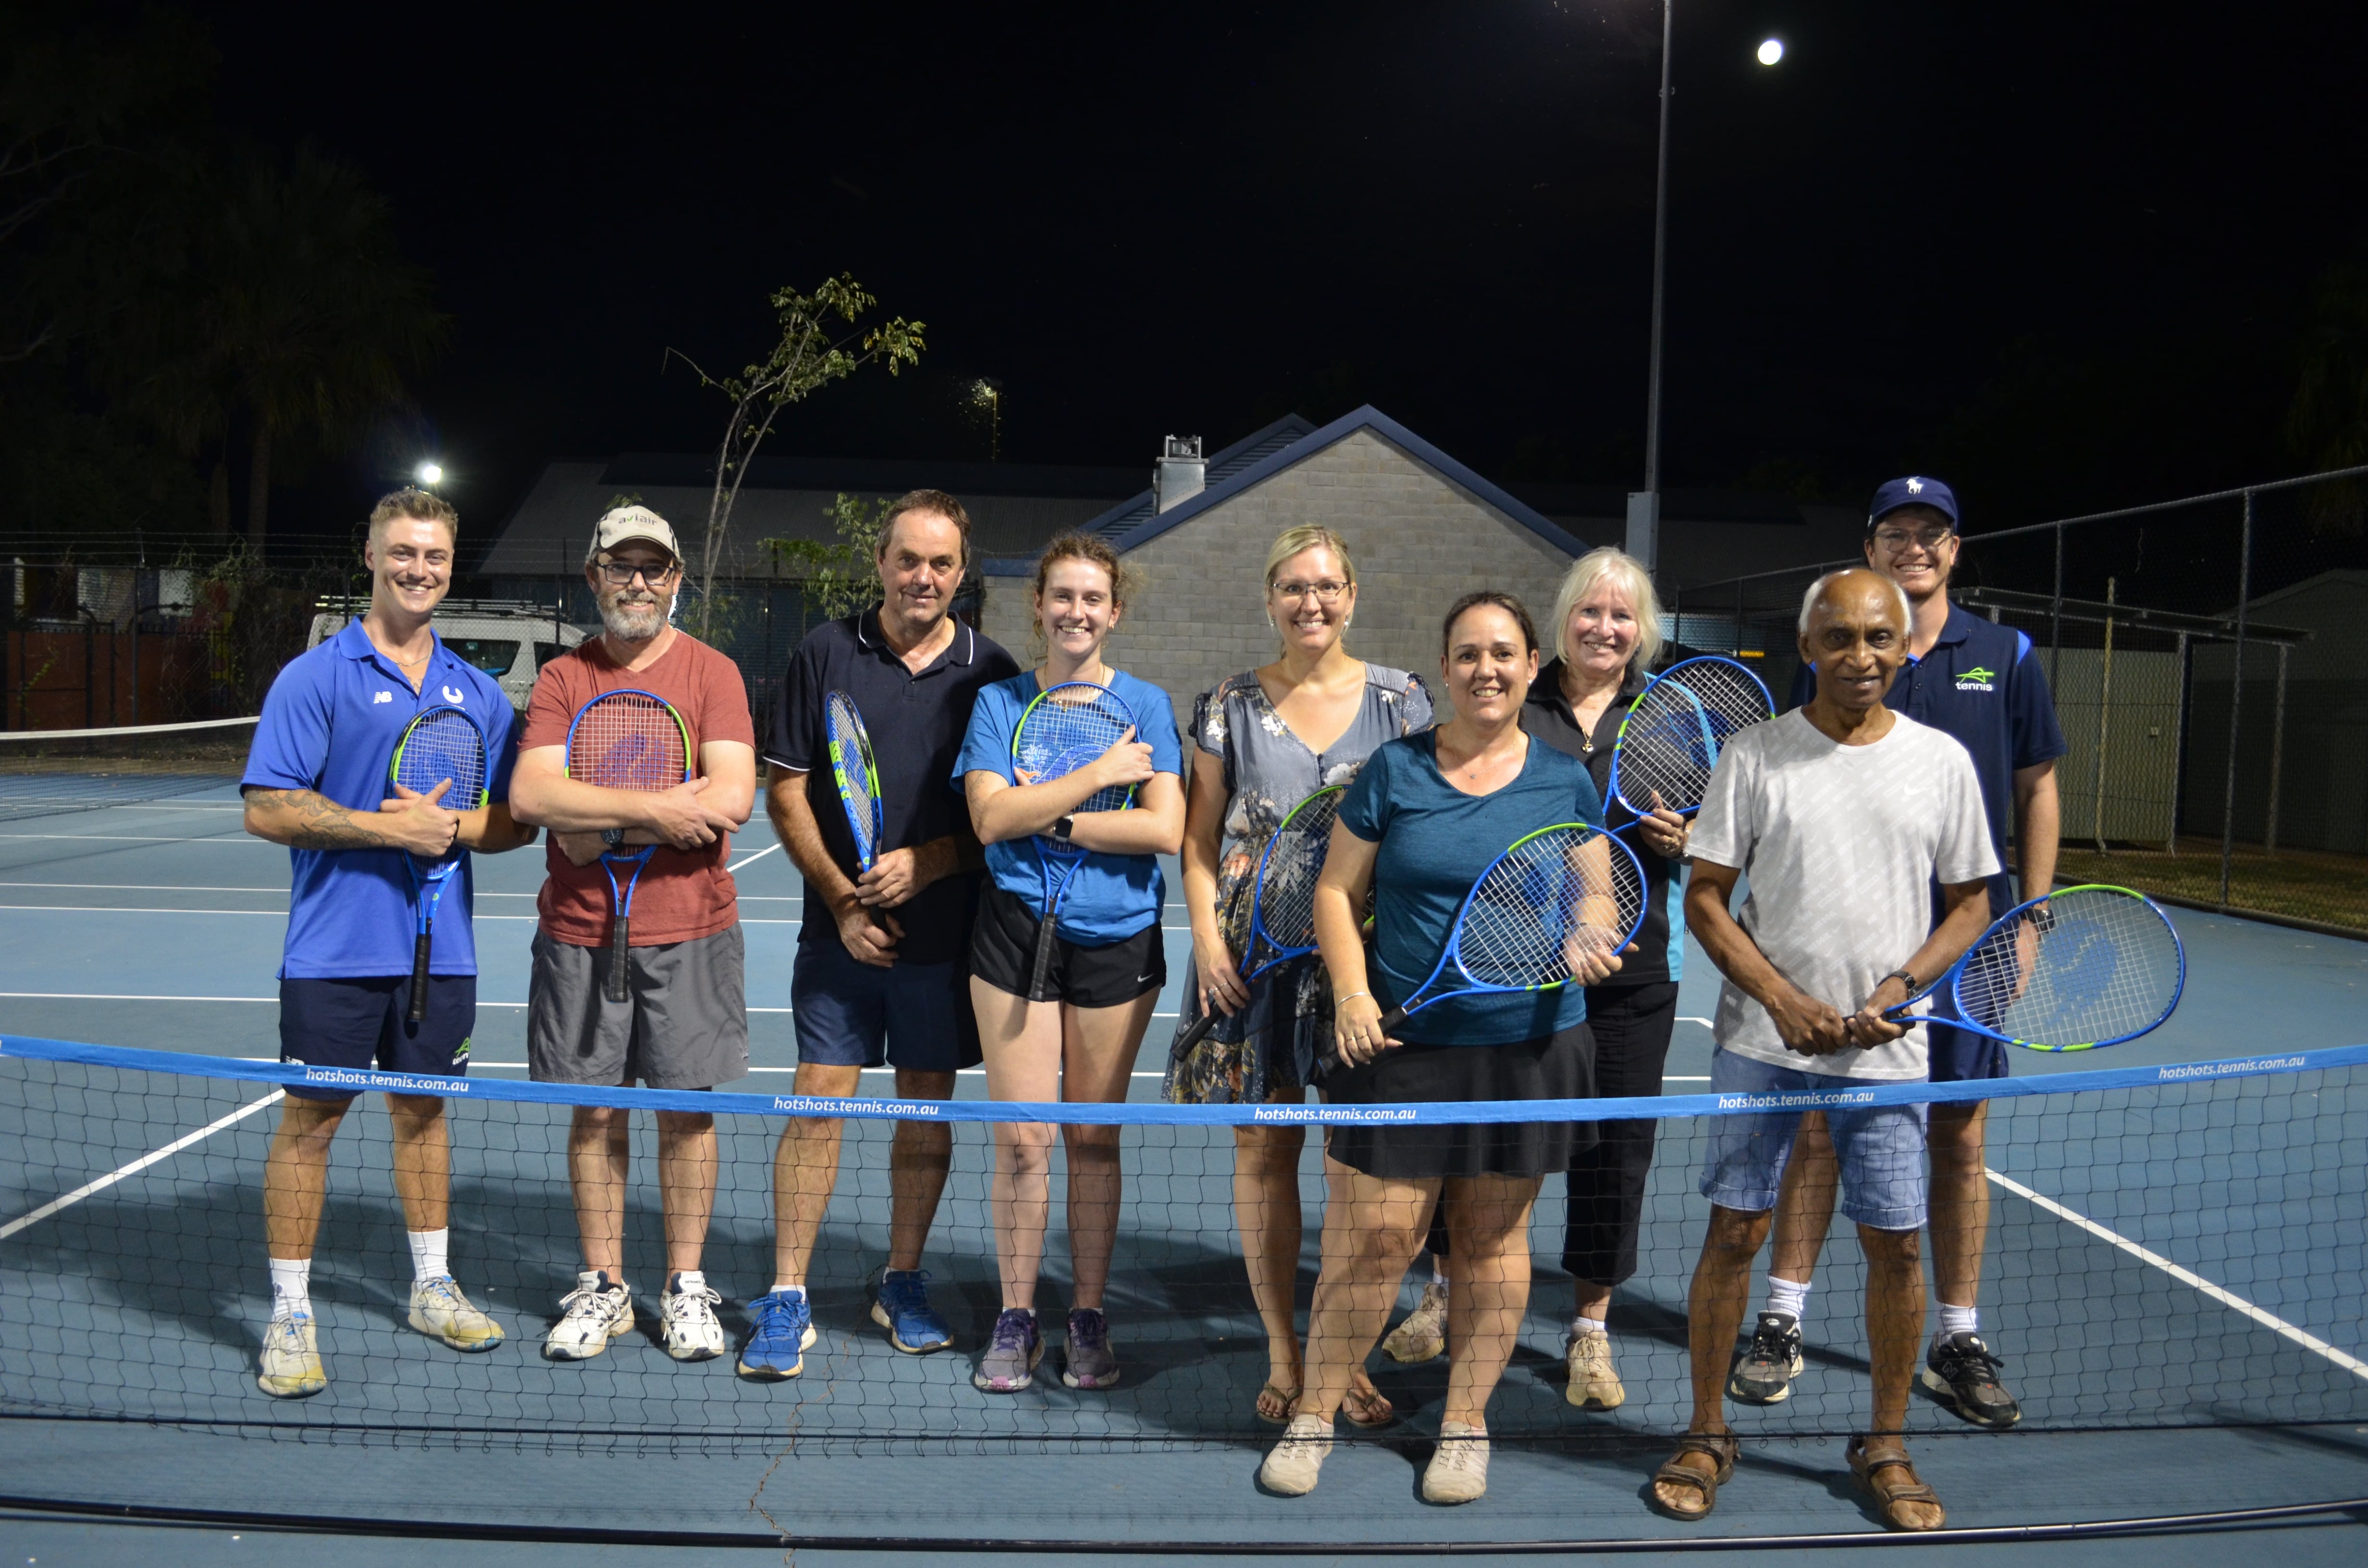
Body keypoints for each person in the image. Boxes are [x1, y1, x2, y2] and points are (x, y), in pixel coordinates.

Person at [1650, 568, 1996, 1531]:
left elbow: (1973, 903)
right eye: (1838, 638)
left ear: (1905, 648)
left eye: (1879, 638)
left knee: (1896, 1247)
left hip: (1885, 1058)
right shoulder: (1755, 755)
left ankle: (1886, 1442)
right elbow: (1706, 897)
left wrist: (1900, 988)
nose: (1860, 656)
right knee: (1734, 1235)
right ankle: (1706, 1430)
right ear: (1807, 648)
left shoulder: (1942, 763)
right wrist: (1783, 1000)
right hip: (1761, 1048)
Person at [1260, 591, 1622, 1506]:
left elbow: (1595, 891)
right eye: (1467, 655)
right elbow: (1336, 893)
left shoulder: (1564, 781)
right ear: (1447, 669)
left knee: (1493, 1240)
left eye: (1503, 653)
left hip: (1526, 1047)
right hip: (1405, 1045)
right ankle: (1315, 1413)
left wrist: (1589, 931)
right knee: (1377, 1240)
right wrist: (1353, 992)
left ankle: (1465, 1425)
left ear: (1532, 665)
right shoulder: (1396, 769)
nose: (1486, 670)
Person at [1738, 477, 2065, 1430]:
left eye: (1932, 533)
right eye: (1896, 532)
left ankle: (1957, 1338)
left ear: (1954, 549)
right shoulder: (1841, 648)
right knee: (1817, 1128)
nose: (1914, 546)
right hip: (1851, 936)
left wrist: (2030, 920)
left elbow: (2037, 787)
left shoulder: (2005, 655)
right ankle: (1782, 1319)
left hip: (1968, 942)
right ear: (1870, 548)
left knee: (1959, 1138)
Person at [240, 488, 536, 1398]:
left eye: (435, 556)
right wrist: (391, 829)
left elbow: (513, 820)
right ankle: (291, 1313)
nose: (419, 569)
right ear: (370, 557)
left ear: (452, 566)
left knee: (424, 1115)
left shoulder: (477, 692)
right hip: (332, 950)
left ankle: (431, 1286)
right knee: (311, 1124)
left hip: (441, 953)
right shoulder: (315, 677)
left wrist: (452, 830)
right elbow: (268, 809)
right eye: (403, 552)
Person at [740, 490, 1020, 1380]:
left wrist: (932, 862)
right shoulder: (826, 651)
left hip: (944, 942)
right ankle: (787, 1292)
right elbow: (787, 791)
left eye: (941, 563)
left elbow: (1002, 817)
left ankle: (902, 1279)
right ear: (882, 563)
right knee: (817, 1103)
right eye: (908, 560)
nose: (922, 578)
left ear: (961, 573)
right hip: (839, 940)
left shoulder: (994, 671)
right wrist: (843, 903)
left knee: (923, 1110)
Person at [1163, 523, 1431, 1430]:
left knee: (1360, 1165)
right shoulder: (1227, 706)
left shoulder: (1403, 703)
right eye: (1292, 587)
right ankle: (1286, 1350)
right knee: (1264, 1150)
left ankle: (1341, 1352)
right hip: (1254, 957)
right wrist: (1208, 943)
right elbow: (1198, 842)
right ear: (1269, 599)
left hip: (1367, 956)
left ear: (1351, 597)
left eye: (1326, 586)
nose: (1310, 602)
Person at [506, 505, 757, 1364]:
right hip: (580, 932)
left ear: (676, 579)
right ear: (596, 576)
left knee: (687, 1114)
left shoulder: (713, 673)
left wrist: (597, 824)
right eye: (622, 566)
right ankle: (604, 1285)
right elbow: (533, 799)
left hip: (693, 930)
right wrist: (655, 812)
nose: (639, 583)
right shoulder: (562, 678)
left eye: (655, 568)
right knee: (595, 1114)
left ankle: (685, 1285)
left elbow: (730, 798)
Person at [957, 532, 1184, 1394]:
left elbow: (1162, 828)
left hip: (1117, 936)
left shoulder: (1147, 706)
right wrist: (1097, 777)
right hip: (1015, 931)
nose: (1076, 612)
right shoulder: (999, 703)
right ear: (1039, 605)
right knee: (1024, 1141)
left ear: (1114, 612)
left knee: (1092, 1139)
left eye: (1093, 599)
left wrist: (1044, 813)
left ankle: (1087, 1315)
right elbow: (988, 820)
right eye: (1062, 596)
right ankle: (1017, 1317)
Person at [1523, 547, 1692, 1410]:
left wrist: (1687, 839)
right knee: (1493, 1144)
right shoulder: (1518, 698)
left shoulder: (1669, 716)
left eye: (1622, 615)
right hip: (1518, 966)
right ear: (1565, 618)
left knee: (1616, 1156)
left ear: (1643, 628)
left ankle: (1590, 1329)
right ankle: (1446, 1295)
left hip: (1635, 971)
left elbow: (1712, 827)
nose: (1604, 627)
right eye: (1590, 611)